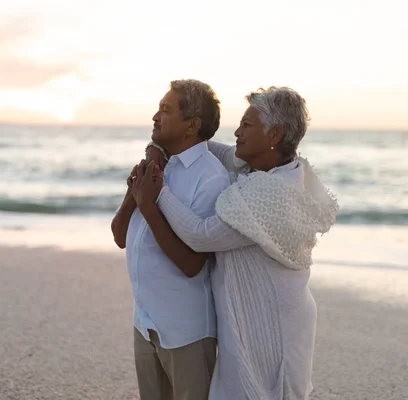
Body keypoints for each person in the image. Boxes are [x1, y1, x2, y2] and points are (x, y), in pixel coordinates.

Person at [131, 87, 339, 399]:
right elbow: (202, 147)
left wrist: (157, 194)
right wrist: (159, 145)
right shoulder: (254, 167)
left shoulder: (273, 193)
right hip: (243, 318)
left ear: (274, 134)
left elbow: (201, 235)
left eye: (247, 126)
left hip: (273, 324)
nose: (237, 132)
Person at [111, 79, 231, 400]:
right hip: (144, 323)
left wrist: (150, 205)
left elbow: (193, 264)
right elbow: (119, 235)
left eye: (166, 110)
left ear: (192, 125)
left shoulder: (210, 177)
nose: (155, 116)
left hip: (186, 332)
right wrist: (134, 193)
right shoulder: (156, 165)